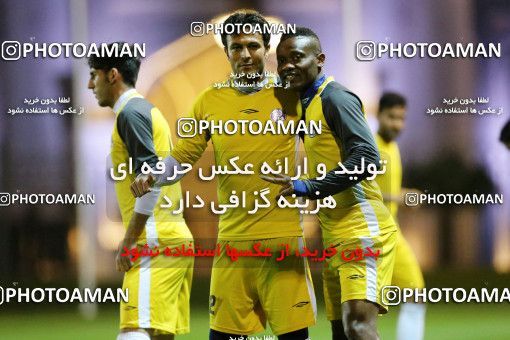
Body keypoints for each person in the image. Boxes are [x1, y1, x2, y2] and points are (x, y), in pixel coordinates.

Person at [130, 11, 316, 340]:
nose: (245, 54)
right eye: (236, 47)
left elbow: (325, 145)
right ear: (227, 51)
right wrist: (153, 176)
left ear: (267, 47)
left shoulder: (293, 96)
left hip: (284, 242)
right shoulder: (209, 101)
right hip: (232, 244)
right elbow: (183, 156)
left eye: (253, 46)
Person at [262, 27, 398, 340]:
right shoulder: (307, 104)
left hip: (362, 230)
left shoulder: (336, 98)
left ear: (320, 60)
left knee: (358, 328)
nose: (286, 66)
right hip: (335, 234)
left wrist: (309, 187)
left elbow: (367, 158)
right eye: (281, 60)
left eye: (296, 57)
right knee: (341, 333)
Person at [88, 42, 194, 340]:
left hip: (154, 243)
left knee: (133, 332)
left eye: (93, 75)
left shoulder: (131, 114)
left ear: (112, 75)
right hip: (171, 239)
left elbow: (151, 183)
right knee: (157, 334)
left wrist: (129, 239)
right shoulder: (145, 110)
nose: (89, 84)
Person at [375, 92, 426, 340]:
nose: (397, 124)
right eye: (392, 117)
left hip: (393, 234)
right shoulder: (369, 146)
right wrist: (398, 198)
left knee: (416, 295)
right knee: (364, 309)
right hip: (369, 237)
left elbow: (387, 190)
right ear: (379, 115)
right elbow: (358, 188)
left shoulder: (392, 147)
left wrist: (403, 194)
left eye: (402, 118)